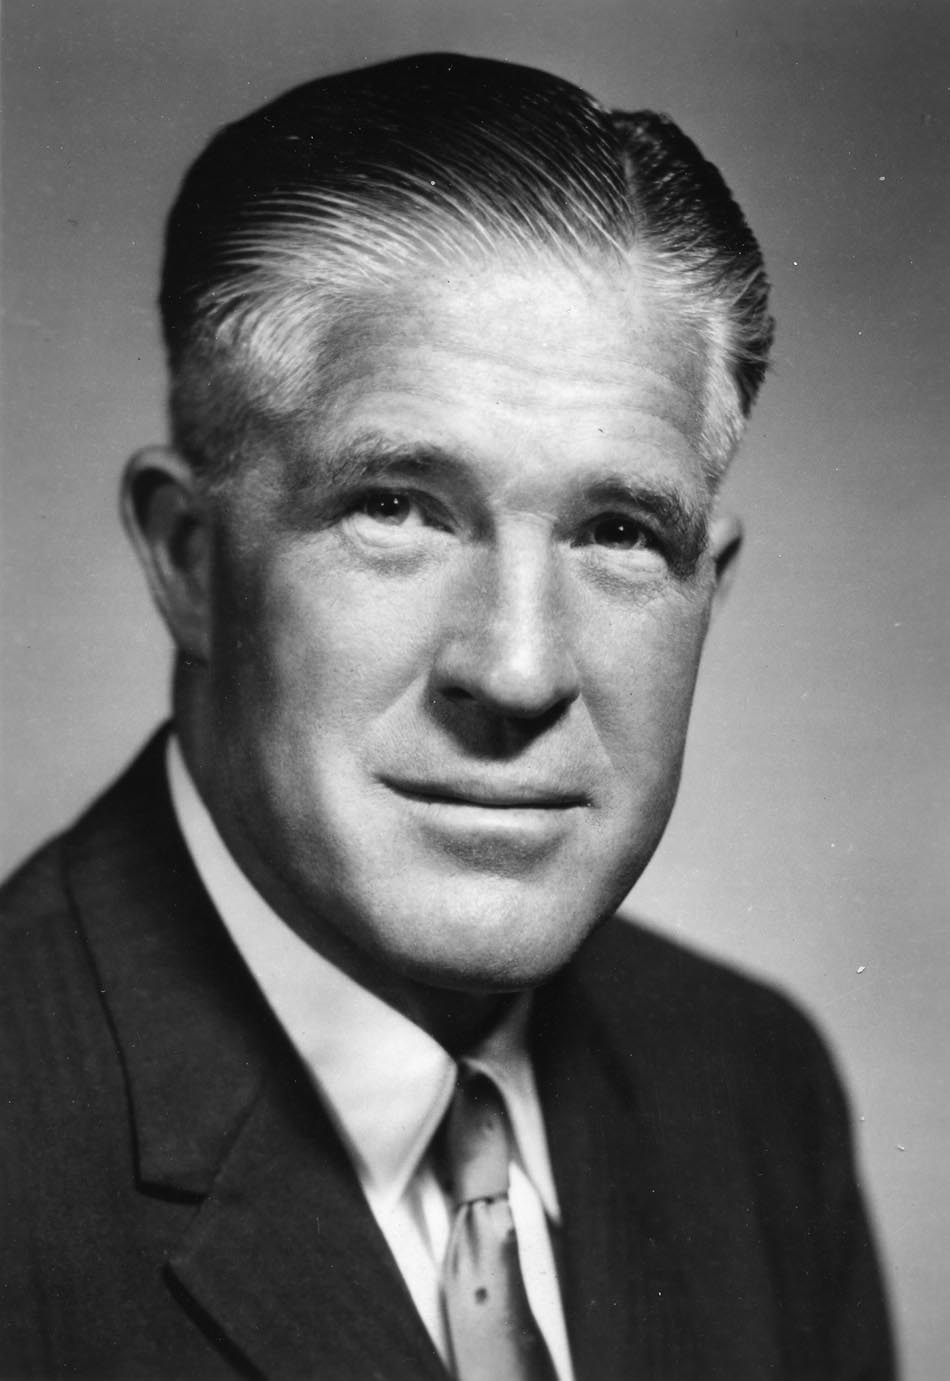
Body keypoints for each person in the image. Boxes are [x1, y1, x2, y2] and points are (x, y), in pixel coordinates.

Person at [0, 53, 894, 1380]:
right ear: (189, 560)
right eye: (395, 508)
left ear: (706, 589)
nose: (519, 671)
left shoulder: (753, 1083)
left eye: (618, 530)